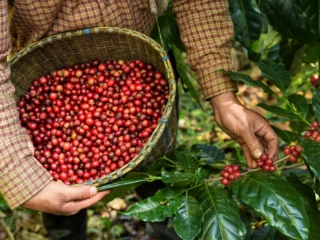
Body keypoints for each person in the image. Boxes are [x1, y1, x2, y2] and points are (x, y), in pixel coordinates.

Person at [0, 0, 278, 239]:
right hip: (46, 57)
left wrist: (224, 97)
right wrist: (20, 174)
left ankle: (169, 226)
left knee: (158, 173)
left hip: (142, 45)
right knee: (61, 204)